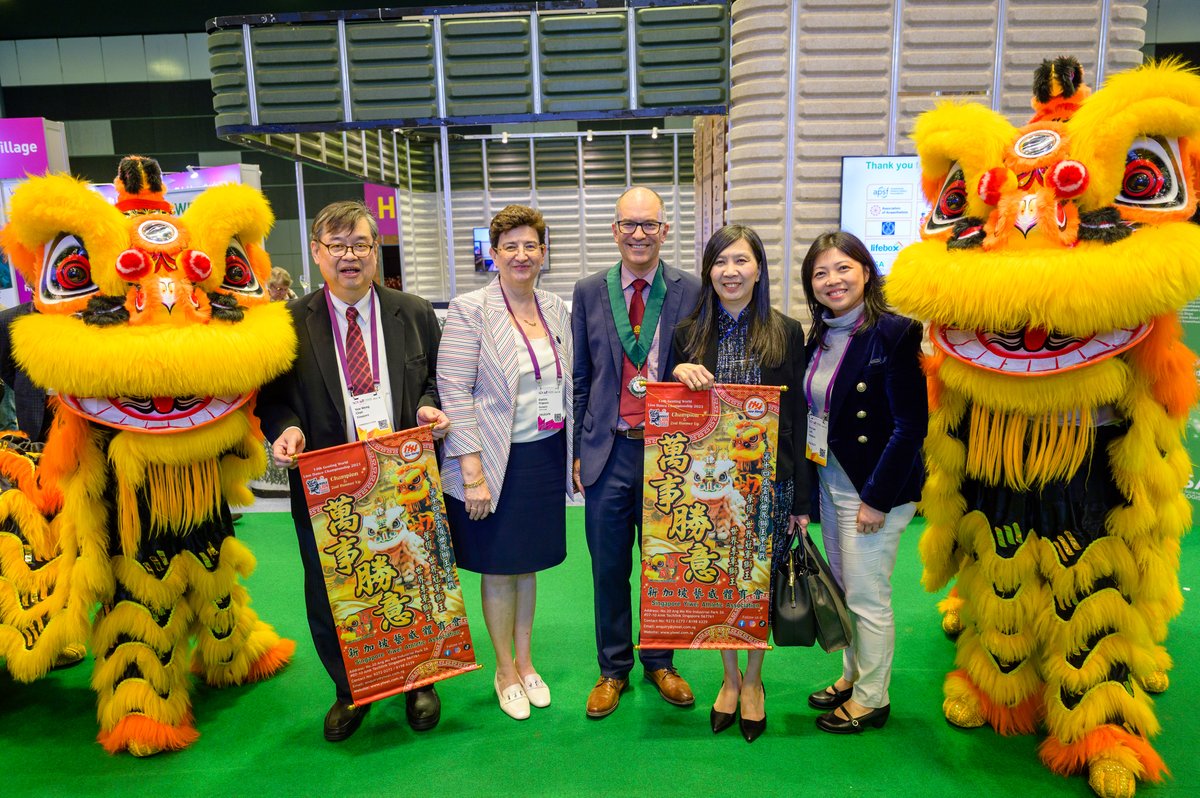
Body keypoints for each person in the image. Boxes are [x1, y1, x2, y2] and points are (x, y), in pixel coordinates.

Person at [257, 200, 451, 743]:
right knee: (328, 587)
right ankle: (352, 688)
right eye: (337, 246)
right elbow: (271, 400)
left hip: (403, 474)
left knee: (411, 574)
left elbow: (433, 379)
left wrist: (429, 408)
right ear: (316, 254)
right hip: (326, 480)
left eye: (360, 245)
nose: (350, 256)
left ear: (375, 251)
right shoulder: (287, 324)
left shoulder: (412, 312)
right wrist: (287, 430)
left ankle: (420, 679)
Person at [671, 224, 810, 743]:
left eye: (741, 261)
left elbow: (794, 413)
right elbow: (667, 407)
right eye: (720, 262)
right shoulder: (688, 332)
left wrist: (799, 496)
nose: (731, 271)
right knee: (723, 583)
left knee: (757, 585)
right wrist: (682, 371)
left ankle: (754, 681)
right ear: (709, 272)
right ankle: (727, 679)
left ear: (759, 269)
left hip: (768, 484)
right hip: (708, 486)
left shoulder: (785, 331)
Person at [437, 204, 573, 721]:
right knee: (498, 568)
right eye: (510, 246)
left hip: (543, 455)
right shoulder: (471, 309)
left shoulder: (555, 308)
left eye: (530, 245)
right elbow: (454, 390)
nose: (522, 254)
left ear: (543, 252)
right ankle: (503, 670)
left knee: (527, 564)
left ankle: (526, 659)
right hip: (493, 461)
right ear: (494, 255)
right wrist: (471, 472)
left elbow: (568, 384)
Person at [571, 186, 702, 718]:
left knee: (664, 564)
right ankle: (612, 669)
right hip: (609, 451)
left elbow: (700, 366)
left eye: (650, 225)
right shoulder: (587, 291)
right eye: (630, 224)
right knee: (608, 567)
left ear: (665, 231)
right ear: (614, 230)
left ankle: (661, 660)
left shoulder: (690, 290)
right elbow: (581, 377)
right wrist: (580, 451)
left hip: (669, 453)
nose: (640, 234)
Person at [799, 230, 927, 734]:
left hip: (873, 490)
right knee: (844, 587)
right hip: (831, 483)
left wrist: (876, 499)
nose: (833, 281)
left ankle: (873, 698)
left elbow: (910, 426)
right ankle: (853, 675)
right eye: (820, 273)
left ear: (866, 271)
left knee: (867, 596)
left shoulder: (895, 333)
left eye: (843, 268)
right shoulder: (821, 335)